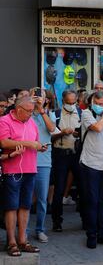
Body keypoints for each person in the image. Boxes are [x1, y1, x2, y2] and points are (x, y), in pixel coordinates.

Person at [0, 96, 48, 256]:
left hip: (30, 168)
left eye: (32, 111)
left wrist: (39, 147)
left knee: (25, 206)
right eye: (28, 111)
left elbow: (34, 142)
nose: (30, 114)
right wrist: (29, 144)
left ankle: (22, 240)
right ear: (18, 109)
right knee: (11, 206)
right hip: (12, 170)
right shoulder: (5, 121)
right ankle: (11, 242)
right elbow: (4, 143)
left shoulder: (31, 122)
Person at [79, 91, 103, 248]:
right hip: (91, 163)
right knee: (92, 200)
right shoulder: (86, 114)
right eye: (97, 103)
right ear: (92, 102)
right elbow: (97, 127)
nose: (99, 106)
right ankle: (91, 234)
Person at [51, 90, 82, 232]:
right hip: (60, 153)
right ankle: (57, 221)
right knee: (59, 188)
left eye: (73, 102)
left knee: (83, 187)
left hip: (77, 153)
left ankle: (85, 219)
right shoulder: (56, 114)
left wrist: (78, 133)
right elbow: (50, 137)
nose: (71, 105)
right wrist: (62, 133)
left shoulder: (82, 113)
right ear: (63, 101)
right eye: (68, 102)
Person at [30, 88, 56, 243]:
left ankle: (40, 229)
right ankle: (24, 231)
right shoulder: (25, 113)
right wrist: (30, 104)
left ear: (46, 100)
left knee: (42, 199)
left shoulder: (49, 114)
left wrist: (41, 110)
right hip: (27, 160)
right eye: (35, 95)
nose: (38, 98)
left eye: (41, 96)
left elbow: (52, 129)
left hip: (44, 162)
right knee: (25, 199)